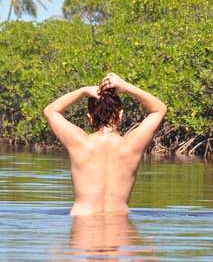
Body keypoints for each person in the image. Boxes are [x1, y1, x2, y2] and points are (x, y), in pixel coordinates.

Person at [43, 72, 167, 216]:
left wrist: (83, 91)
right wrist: (126, 86)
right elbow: (159, 109)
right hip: (120, 224)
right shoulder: (132, 145)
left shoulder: (79, 142)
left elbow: (50, 111)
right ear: (120, 114)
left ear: (89, 117)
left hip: (83, 223)